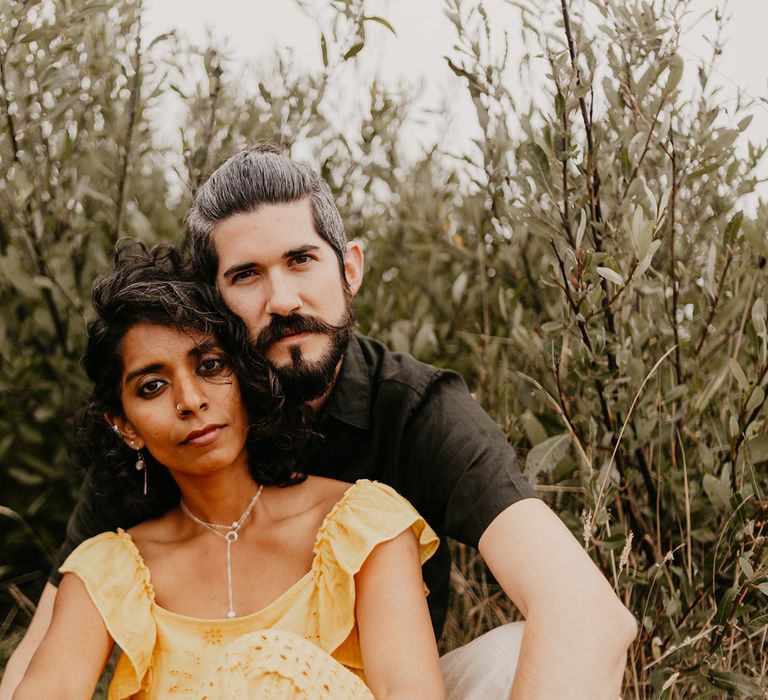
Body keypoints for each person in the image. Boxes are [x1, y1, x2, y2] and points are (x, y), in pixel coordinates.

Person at [2, 146, 636, 699]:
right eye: (246, 274)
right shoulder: (172, 433)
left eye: (301, 259)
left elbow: (585, 614)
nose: (282, 299)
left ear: (349, 268)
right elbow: (38, 665)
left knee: (508, 660)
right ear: (209, 303)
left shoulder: (416, 411)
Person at [12, 246, 444, 699]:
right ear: (125, 427)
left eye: (210, 365)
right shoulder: (108, 573)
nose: (190, 400)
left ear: (246, 378)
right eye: (152, 386)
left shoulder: (362, 528)